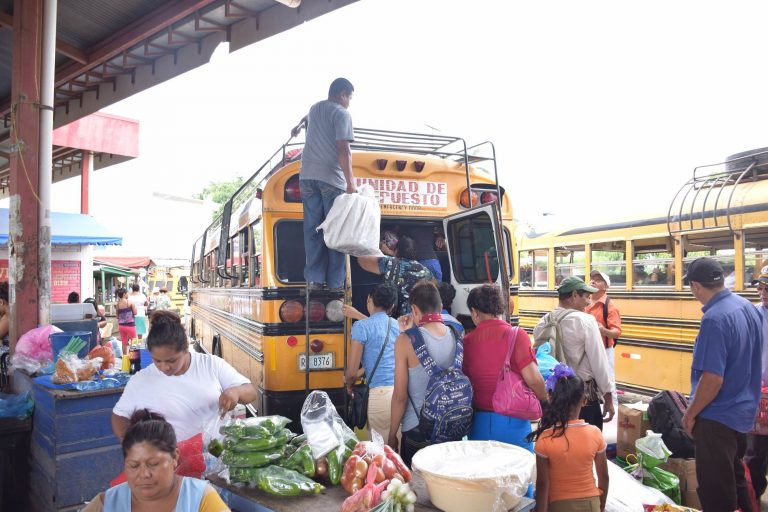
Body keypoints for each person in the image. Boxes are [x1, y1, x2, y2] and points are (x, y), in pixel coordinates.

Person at [680, 257, 762, 512]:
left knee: (716, 491)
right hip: (743, 414)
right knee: (736, 480)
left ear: (695, 285)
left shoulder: (714, 319)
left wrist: (690, 415)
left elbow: (713, 378)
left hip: (717, 417)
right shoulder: (747, 306)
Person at [112, 310, 257, 442]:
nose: (164, 367)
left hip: (216, 456)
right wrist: (132, 444)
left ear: (186, 348)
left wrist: (235, 392)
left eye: (172, 360)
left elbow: (250, 392)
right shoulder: (141, 379)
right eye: (157, 360)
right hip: (173, 463)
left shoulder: (211, 365)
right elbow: (119, 416)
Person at [83, 409, 230, 512]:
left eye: (153, 464)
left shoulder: (200, 499)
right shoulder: (107, 504)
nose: (144, 474)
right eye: (134, 466)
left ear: (174, 457)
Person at [291, 77, 356, 292]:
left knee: (313, 231)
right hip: (331, 179)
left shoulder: (315, 108)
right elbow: (343, 149)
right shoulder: (341, 113)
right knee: (335, 231)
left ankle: (315, 281)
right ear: (342, 94)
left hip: (307, 176)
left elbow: (304, 118)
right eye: (349, 98)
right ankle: (336, 284)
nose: (349, 103)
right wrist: (351, 182)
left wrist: (298, 127)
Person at [463, 284, 547, 449]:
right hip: (513, 422)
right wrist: (545, 401)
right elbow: (534, 379)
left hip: (478, 424)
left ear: (474, 311)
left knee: (484, 473)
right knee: (519, 472)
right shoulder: (517, 335)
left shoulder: (467, 341)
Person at [387, 281, 460, 466]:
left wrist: (392, 434)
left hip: (417, 431)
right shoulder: (457, 335)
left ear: (414, 309)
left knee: (416, 492)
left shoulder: (404, 341)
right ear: (441, 307)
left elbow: (400, 397)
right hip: (451, 429)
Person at [533, 277, 615, 430]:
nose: (588, 302)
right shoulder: (586, 321)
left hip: (553, 399)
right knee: (586, 447)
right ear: (574, 295)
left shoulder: (542, 322)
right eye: (586, 297)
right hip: (583, 400)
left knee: (557, 444)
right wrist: (608, 396)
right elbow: (599, 363)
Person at [528, 364, 609, 512]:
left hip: (559, 505)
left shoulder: (545, 439)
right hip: (591, 504)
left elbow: (542, 485)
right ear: (584, 401)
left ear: (551, 398)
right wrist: (601, 506)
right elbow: (604, 477)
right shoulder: (595, 433)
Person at [341, 282, 400, 442]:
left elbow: (352, 372)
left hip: (379, 396)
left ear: (369, 299)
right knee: (397, 452)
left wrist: (348, 384)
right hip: (400, 395)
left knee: (380, 457)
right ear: (392, 305)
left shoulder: (361, 327)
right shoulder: (398, 326)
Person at [358, 235, 434, 317]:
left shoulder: (389, 262)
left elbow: (362, 260)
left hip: (389, 319)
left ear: (397, 250)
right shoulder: (425, 272)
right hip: (412, 319)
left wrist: (382, 249)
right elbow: (433, 291)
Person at [746, 265, 768, 502]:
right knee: (754, 454)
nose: (762, 293)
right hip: (758, 398)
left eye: (767, 289)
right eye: (761, 288)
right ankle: (753, 500)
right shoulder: (753, 313)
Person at [585, 270, 621, 407]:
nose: (593, 281)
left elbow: (616, 332)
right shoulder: (585, 302)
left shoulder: (610, 306)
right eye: (592, 278)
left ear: (605, 287)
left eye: (598, 279)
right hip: (587, 350)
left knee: (608, 383)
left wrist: (602, 330)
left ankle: (613, 411)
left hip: (605, 350)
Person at [116, 288, 138, 353]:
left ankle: (125, 358)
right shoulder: (130, 302)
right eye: (127, 293)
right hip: (130, 325)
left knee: (124, 342)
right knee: (134, 342)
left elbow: (117, 316)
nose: (128, 294)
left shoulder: (118, 304)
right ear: (124, 294)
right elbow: (135, 313)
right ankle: (133, 357)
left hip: (121, 326)